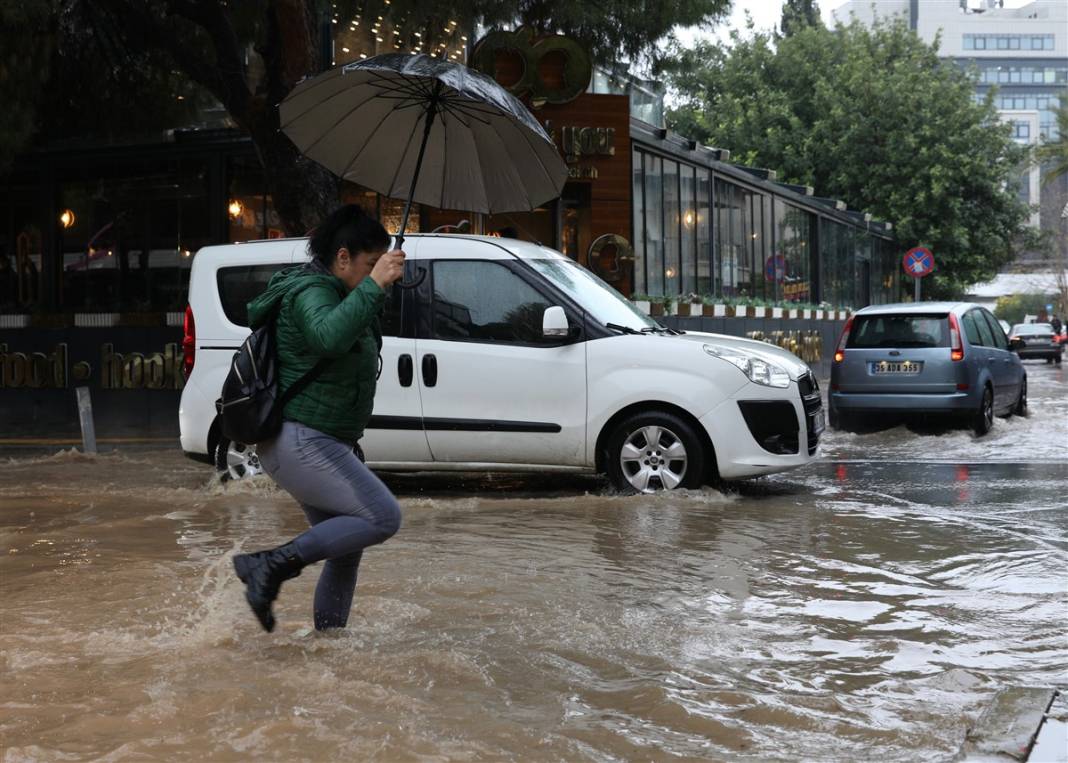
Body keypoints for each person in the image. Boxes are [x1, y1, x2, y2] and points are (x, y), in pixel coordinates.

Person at [232, 204, 406, 633]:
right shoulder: (309, 291)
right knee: (383, 518)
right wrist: (374, 286)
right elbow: (327, 337)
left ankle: (328, 648)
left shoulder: (348, 293)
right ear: (342, 257)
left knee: (347, 549)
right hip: (300, 441)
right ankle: (269, 565)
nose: (374, 274)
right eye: (369, 264)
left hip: (323, 441)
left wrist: (375, 287)